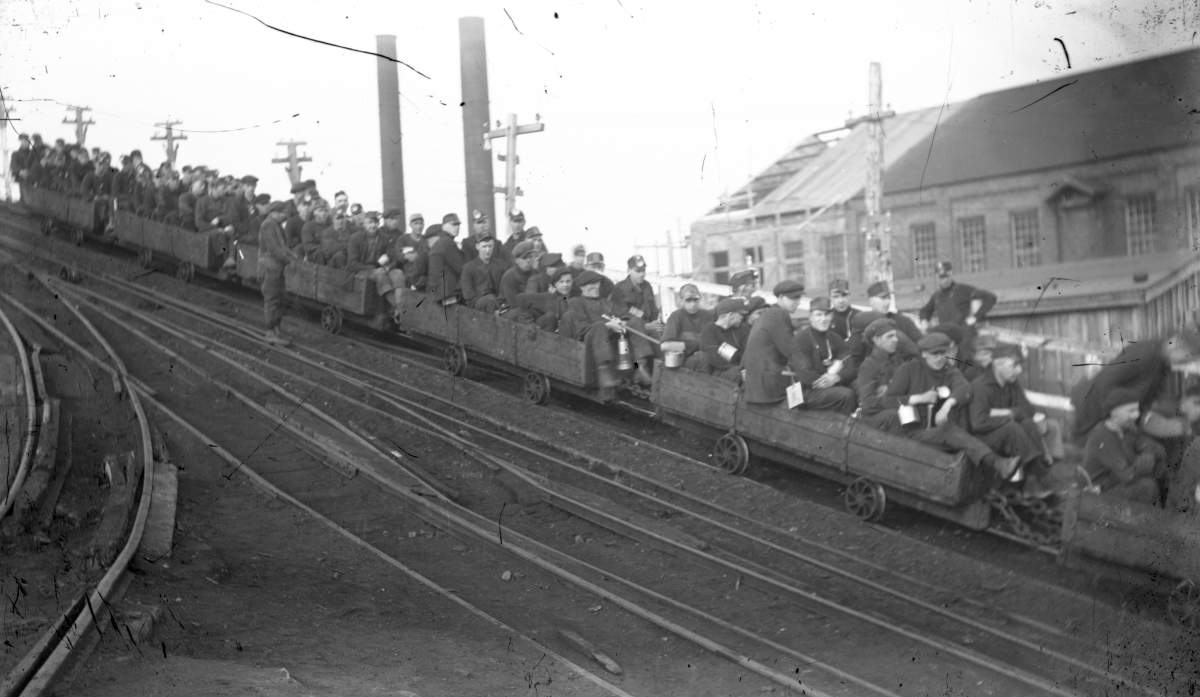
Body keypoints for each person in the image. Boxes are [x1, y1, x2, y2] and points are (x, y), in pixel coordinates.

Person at [886, 332, 1020, 480]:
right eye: (934, 354)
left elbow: (965, 389)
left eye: (943, 353)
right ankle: (997, 463)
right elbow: (889, 400)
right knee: (948, 431)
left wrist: (947, 405)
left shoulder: (949, 371)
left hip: (936, 432)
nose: (940, 358)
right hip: (911, 431)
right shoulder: (909, 369)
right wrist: (919, 398)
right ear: (924, 354)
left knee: (959, 425)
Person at [1070, 328, 1200, 443]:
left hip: (1126, 413)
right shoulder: (1144, 353)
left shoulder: (1162, 362)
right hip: (1094, 410)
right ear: (1176, 345)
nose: (1186, 362)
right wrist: (1117, 417)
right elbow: (1106, 382)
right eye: (1187, 357)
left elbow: (1152, 395)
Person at [967, 345, 1060, 495]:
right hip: (983, 439)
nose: (1019, 370)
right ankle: (1041, 476)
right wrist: (1010, 418)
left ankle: (1032, 479)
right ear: (998, 364)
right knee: (1012, 428)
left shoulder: (1012, 383)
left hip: (1009, 434)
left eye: (1019, 366)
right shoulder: (980, 387)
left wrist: (1007, 412)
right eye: (1014, 365)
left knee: (1028, 424)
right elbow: (978, 423)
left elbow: (1028, 410)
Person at [560, 270, 656, 395]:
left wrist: (622, 322)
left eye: (597, 283)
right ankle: (604, 371)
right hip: (589, 340)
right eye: (591, 284)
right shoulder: (576, 303)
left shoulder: (605, 302)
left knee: (636, 321)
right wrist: (608, 325)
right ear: (582, 287)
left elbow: (624, 314)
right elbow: (581, 328)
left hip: (609, 339)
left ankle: (641, 367)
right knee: (600, 326)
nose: (596, 287)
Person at [1081, 389, 1167, 504]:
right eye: (1130, 411)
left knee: (1159, 470)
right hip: (1099, 490)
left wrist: (1149, 452)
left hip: (1117, 480)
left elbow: (1153, 447)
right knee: (1147, 486)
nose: (1136, 415)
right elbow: (1128, 475)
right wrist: (1148, 457)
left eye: (1136, 409)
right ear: (1113, 412)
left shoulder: (1127, 428)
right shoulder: (1103, 437)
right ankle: (1142, 520)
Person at [786, 297, 857, 413]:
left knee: (858, 387)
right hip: (807, 391)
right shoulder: (801, 339)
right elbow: (805, 375)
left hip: (832, 384)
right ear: (810, 317)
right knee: (846, 394)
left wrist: (837, 378)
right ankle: (840, 428)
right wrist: (829, 379)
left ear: (832, 316)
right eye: (818, 315)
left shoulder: (835, 338)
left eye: (827, 314)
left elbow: (851, 366)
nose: (823, 319)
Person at [742, 280, 806, 404]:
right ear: (781, 298)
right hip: (768, 387)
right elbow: (791, 351)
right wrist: (814, 377)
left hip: (759, 383)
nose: (798, 302)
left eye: (799, 298)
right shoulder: (778, 315)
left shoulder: (770, 313)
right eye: (794, 298)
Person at [853, 318, 911, 434]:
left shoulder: (898, 361)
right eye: (889, 337)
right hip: (875, 418)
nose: (895, 340)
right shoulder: (869, 365)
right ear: (876, 340)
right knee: (895, 416)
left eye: (895, 335)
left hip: (899, 410)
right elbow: (867, 403)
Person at [346, 212, 407, 319]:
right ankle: (398, 308)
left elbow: (392, 257)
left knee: (398, 273)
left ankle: (399, 308)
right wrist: (372, 268)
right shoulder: (355, 238)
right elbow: (352, 264)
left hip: (381, 268)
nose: (373, 225)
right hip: (362, 270)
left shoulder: (384, 238)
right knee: (380, 274)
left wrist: (389, 267)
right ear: (364, 224)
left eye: (375, 222)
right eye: (370, 222)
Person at [257, 201, 299, 346]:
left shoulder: (276, 226)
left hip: (276, 268)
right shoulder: (268, 225)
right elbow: (275, 249)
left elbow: (283, 247)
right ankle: (270, 333)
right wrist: (289, 260)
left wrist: (292, 255)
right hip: (270, 268)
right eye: (283, 213)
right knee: (272, 300)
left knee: (279, 299)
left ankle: (276, 329)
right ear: (275, 212)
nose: (286, 216)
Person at [662, 284, 713, 368]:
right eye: (688, 300)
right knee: (701, 358)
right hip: (685, 360)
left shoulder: (708, 316)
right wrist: (693, 345)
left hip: (707, 356)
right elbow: (665, 345)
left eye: (695, 300)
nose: (692, 304)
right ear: (681, 300)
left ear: (699, 299)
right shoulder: (676, 317)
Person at [700, 298, 749, 381]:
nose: (742, 318)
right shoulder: (710, 330)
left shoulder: (738, 331)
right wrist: (738, 370)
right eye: (740, 314)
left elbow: (744, 354)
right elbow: (713, 356)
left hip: (737, 370)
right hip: (717, 374)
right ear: (730, 315)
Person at [611, 255, 660, 334]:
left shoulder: (647, 286)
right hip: (630, 331)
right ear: (629, 270)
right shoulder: (619, 288)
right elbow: (621, 314)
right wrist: (644, 325)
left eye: (643, 270)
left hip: (650, 327)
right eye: (638, 271)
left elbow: (652, 309)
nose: (642, 274)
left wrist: (656, 323)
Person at [460, 235, 509, 312]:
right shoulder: (468, 267)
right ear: (477, 247)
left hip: (498, 302)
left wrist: (500, 301)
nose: (487, 250)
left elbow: (505, 287)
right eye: (484, 246)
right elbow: (468, 294)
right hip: (476, 305)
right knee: (490, 300)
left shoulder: (501, 265)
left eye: (490, 246)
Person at [428, 213, 466, 304]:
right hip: (448, 292)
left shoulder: (441, 242)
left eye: (458, 225)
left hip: (439, 291)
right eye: (453, 225)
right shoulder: (447, 243)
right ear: (444, 226)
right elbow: (461, 268)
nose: (457, 227)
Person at [500, 240, 539, 311]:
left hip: (532, 309)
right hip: (511, 310)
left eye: (531, 257)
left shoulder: (536, 273)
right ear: (516, 260)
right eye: (524, 258)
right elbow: (513, 303)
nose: (528, 260)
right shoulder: (509, 276)